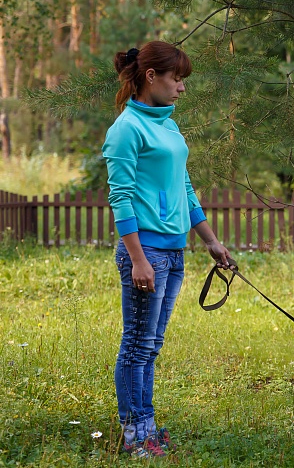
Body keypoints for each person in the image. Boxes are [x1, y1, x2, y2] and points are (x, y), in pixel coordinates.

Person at [103, 41, 233, 458]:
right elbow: (121, 197)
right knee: (137, 345)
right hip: (147, 253)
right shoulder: (126, 129)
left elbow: (184, 187)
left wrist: (210, 240)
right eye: (176, 79)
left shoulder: (170, 127)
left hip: (173, 253)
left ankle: (147, 428)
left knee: (151, 346)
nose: (181, 87)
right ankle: (135, 436)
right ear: (151, 76)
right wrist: (138, 259)